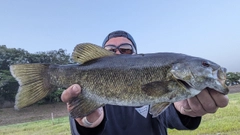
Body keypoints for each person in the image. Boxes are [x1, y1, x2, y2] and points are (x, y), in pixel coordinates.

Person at [61, 30, 229, 135]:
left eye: (126, 50)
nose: (118, 53)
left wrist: (184, 111)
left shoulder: (170, 88)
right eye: (111, 51)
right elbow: (81, 125)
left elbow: (168, 114)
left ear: (136, 54)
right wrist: (89, 123)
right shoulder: (84, 89)